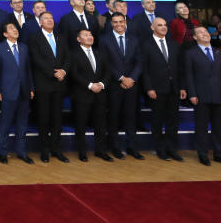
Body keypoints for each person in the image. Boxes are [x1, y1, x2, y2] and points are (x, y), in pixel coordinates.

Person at [183, 26, 221, 167]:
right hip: (200, 96)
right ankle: (203, 154)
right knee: (201, 127)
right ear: (194, 37)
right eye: (200, 32)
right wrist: (192, 94)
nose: (205, 34)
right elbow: (189, 75)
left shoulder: (220, 53)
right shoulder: (190, 53)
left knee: (218, 127)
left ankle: (219, 154)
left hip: (219, 95)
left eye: (206, 31)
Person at [98, 13, 144, 160]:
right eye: (115, 22)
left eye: (121, 22)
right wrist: (121, 78)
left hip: (132, 84)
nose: (118, 24)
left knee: (131, 117)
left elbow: (139, 62)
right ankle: (115, 147)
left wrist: (132, 78)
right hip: (114, 84)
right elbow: (105, 62)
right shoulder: (104, 39)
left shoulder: (135, 39)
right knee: (114, 117)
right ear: (111, 23)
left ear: (125, 23)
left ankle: (132, 147)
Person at [29, 11, 70, 163]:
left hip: (59, 84)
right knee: (44, 118)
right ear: (40, 22)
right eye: (46, 18)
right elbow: (36, 59)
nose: (50, 20)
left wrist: (63, 71)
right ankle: (44, 150)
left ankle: (57, 149)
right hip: (43, 83)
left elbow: (68, 57)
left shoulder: (61, 37)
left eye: (52, 18)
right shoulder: (34, 38)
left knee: (57, 119)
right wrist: (53, 73)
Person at [141, 17, 184, 161]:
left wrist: (182, 87)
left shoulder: (174, 44)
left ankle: (172, 149)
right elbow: (145, 69)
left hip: (174, 89)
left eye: (165, 25)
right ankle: (160, 149)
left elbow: (179, 67)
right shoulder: (146, 45)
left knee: (173, 121)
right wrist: (149, 88)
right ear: (153, 28)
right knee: (157, 121)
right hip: (156, 89)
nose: (163, 27)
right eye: (159, 25)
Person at [0, 22, 33, 164]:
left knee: (22, 124)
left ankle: (21, 152)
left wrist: (31, 88)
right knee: (5, 123)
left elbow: (28, 70)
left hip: (24, 91)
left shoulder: (24, 47)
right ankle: (3, 152)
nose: (15, 30)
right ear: (5, 34)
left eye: (15, 28)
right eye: (11, 29)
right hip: (7, 91)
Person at [71, 28, 112, 162]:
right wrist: (90, 85)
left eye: (91, 34)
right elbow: (74, 74)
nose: (90, 37)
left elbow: (107, 72)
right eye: (86, 35)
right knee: (81, 124)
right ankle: (82, 152)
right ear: (78, 39)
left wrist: (101, 84)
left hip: (99, 94)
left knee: (101, 125)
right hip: (82, 94)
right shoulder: (73, 54)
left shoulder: (99, 53)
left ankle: (101, 151)